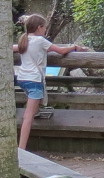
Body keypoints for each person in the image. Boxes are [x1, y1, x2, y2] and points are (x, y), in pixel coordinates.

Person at [14, 14, 85, 151]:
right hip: (34, 80)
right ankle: (21, 149)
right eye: (44, 28)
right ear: (39, 28)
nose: (45, 30)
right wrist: (74, 47)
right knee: (28, 117)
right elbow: (61, 51)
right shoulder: (41, 41)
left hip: (22, 78)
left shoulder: (25, 40)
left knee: (33, 106)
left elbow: (14, 48)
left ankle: (36, 111)